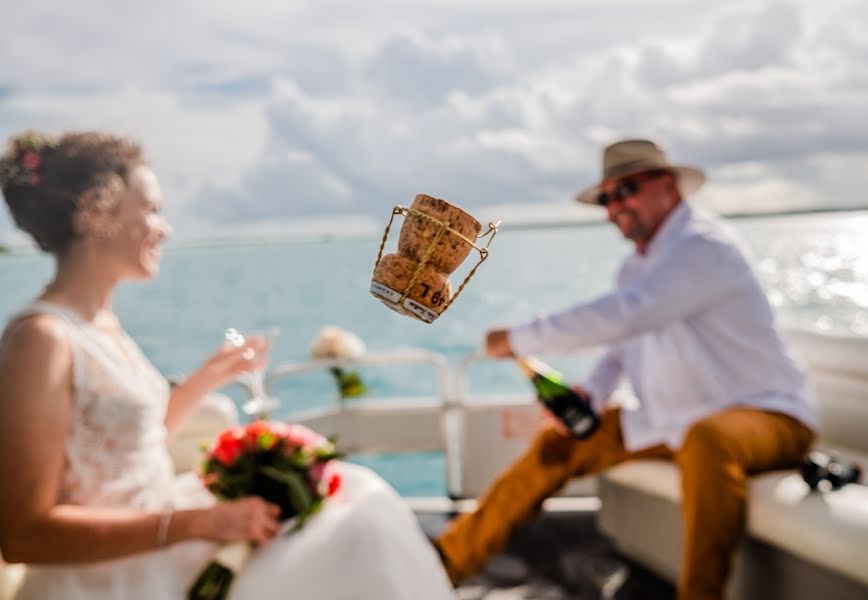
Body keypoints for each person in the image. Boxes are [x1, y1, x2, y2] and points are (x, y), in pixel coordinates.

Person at [0, 131, 454, 600]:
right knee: (364, 541)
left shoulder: (102, 325)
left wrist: (210, 376)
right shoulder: (41, 340)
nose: (165, 228)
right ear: (95, 212)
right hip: (114, 578)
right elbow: (23, 535)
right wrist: (205, 522)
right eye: (152, 208)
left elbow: (132, 451)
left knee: (360, 498)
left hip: (162, 537)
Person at [434, 139, 818, 600]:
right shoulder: (636, 269)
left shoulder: (704, 248)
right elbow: (622, 347)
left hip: (768, 416)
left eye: (626, 190)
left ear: (668, 186)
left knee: (708, 440)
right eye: (606, 198)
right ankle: (446, 564)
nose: (614, 206)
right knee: (560, 441)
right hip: (673, 422)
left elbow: (629, 314)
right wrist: (591, 395)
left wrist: (518, 338)